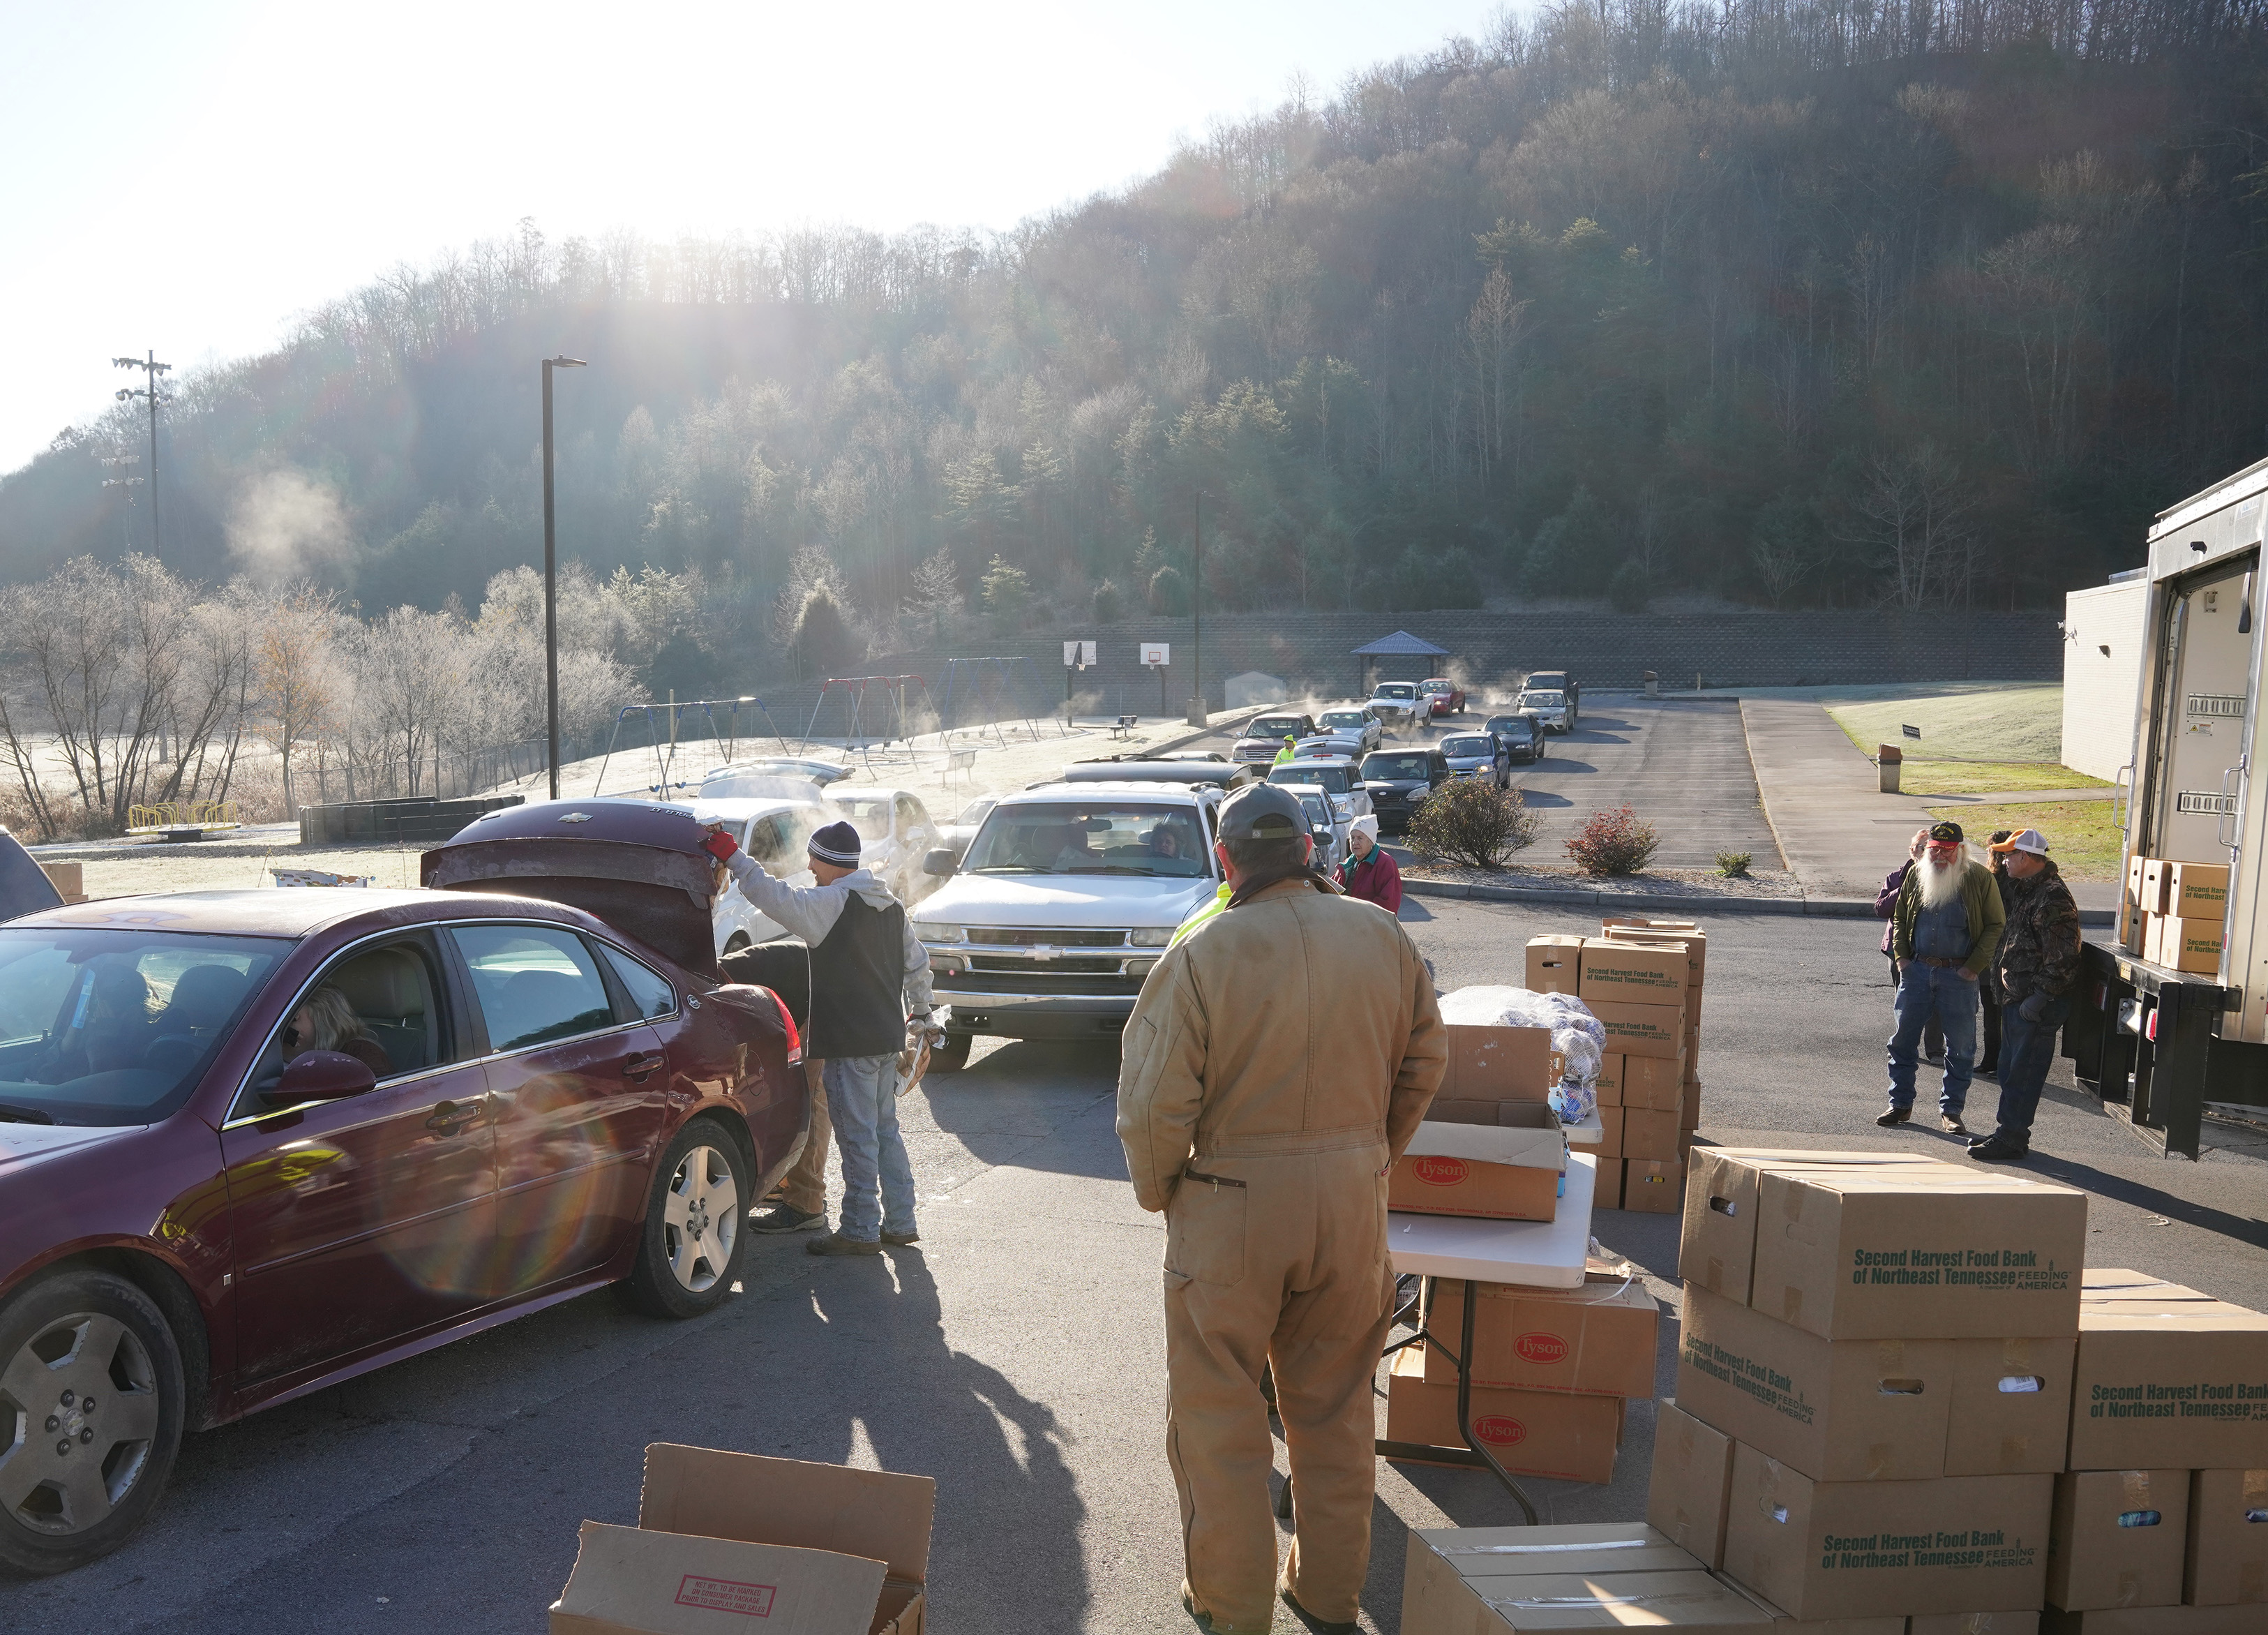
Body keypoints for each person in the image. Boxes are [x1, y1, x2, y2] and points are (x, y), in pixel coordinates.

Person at [1117, 783, 1446, 1635]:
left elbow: (1155, 1107)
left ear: (1224, 861)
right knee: (1334, 1414)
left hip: (1230, 1209)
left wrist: (1164, 1193)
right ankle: (1326, 1596)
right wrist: (1368, 1157)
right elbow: (1424, 1060)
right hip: (1348, 1203)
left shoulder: (1200, 951)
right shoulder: (1383, 936)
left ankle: (1232, 1608)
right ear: (1311, 850)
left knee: (1217, 1420)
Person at [704, 818, 933, 1254]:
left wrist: (732, 855)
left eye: (813, 858)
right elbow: (918, 965)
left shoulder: (830, 905)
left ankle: (860, 1230)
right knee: (886, 1131)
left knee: (856, 1135)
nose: (809, 866)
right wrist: (921, 1016)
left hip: (850, 1043)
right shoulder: (888, 905)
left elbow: (771, 894)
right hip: (887, 1038)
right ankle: (902, 1222)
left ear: (829, 863)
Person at [1881, 820, 2005, 1136]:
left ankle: (1952, 1111)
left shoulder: (1978, 878)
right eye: (1935, 850)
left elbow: (1995, 925)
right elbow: (1900, 916)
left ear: (1961, 851)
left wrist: (1974, 966)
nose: (1939, 857)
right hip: (1917, 971)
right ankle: (1900, 1104)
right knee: (1901, 1042)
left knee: (1961, 1047)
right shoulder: (1916, 872)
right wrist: (1902, 958)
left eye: (1947, 851)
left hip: (1959, 974)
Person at [1969, 829, 2082, 1163]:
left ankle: (2012, 1138)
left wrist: (2040, 998)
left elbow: (2064, 957)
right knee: (2009, 1070)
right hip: (2017, 999)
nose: (2003, 861)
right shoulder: (2028, 890)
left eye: (2009, 855)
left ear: (2027, 858)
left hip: (2035, 1003)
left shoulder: (2052, 897)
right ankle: (2009, 1132)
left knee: (2022, 1074)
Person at [1875, 828, 1945, 1066]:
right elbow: (1882, 909)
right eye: (1922, 847)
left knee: (1934, 999)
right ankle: (1904, 1046)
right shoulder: (1896, 877)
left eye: (1931, 847)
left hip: (1931, 949)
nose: (1927, 852)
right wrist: (1905, 887)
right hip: (1898, 949)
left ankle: (1935, 1049)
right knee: (1905, 1000)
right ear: (1913, 851)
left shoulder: (1944, 876)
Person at [283, 985, 393, 1077]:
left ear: (323, 1022)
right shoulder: (273, 1055)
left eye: (293, 1018)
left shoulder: (363, 1052)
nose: (284, 1027)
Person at [1974, 830, 2014, 1079]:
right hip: (2006, 955)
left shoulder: (1990, 880)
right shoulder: (2015, 880)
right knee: (2003, 1014)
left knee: (1992, 1013)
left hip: (1992, 954)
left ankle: (1993, 1060)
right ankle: (1998, 1061)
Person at [1337, 813, 1402, 912]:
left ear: (1371, 841)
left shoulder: (1385, 863)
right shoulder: (1348, 863)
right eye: (1352, 838)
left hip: (1369, 924)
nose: (1355, 842)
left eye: (1360, 838)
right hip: (1347, 921)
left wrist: (1356, 911)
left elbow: (1388, 905)